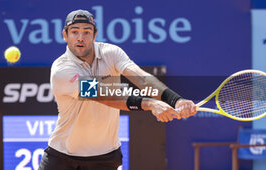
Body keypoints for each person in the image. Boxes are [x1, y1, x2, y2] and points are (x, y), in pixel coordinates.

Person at [38, 9, 197, 170]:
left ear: (94, 35)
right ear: (65, 35)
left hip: (105, 159)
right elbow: (104, 95)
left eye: (87, 32)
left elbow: (141, 78)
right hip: (62, 158)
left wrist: (176, 100)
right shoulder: (62, 69)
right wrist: (151, 104)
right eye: (74, 32)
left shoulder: (111, 53)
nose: (80, 37)